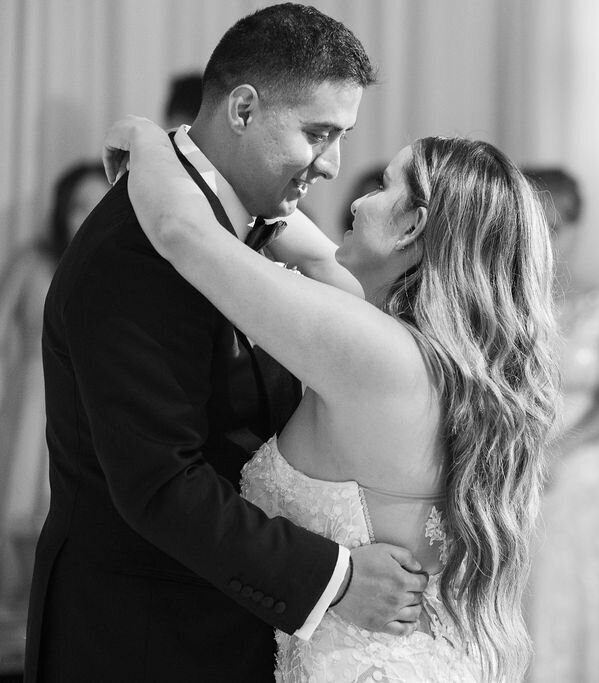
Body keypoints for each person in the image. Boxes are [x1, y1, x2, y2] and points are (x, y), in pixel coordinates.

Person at [25, 6, 428, 681]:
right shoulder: (136, 253)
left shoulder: (235, 230)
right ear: (242, 109)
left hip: (221, 626)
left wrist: (150, 140)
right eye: (318, 133)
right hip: (137, 637)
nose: (334, 166)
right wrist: (333, 578)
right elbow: (161, 484)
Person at [103, 114, 557, 680]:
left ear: (412, 226)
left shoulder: (375, 351)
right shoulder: (427, 353)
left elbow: (183, 235)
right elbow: (312, 252)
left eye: (383, 186)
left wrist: (148, 137)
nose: (358, 201)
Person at [521, 167, 599, 682]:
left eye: (555, 226)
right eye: (534, 224)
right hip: (518, 456)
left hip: (585, 461)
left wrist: (560, 449)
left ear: (575, 226)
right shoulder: (509, 298)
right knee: (524, 590)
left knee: (580, 589)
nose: (545, 239)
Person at [0, 161, 108, 613]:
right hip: (30, 405)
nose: (86, 216)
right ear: (60, 211)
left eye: (98, 205)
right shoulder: (34, 262)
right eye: (77, 206)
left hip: (89, 409)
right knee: (23, 517)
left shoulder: (116, 269)